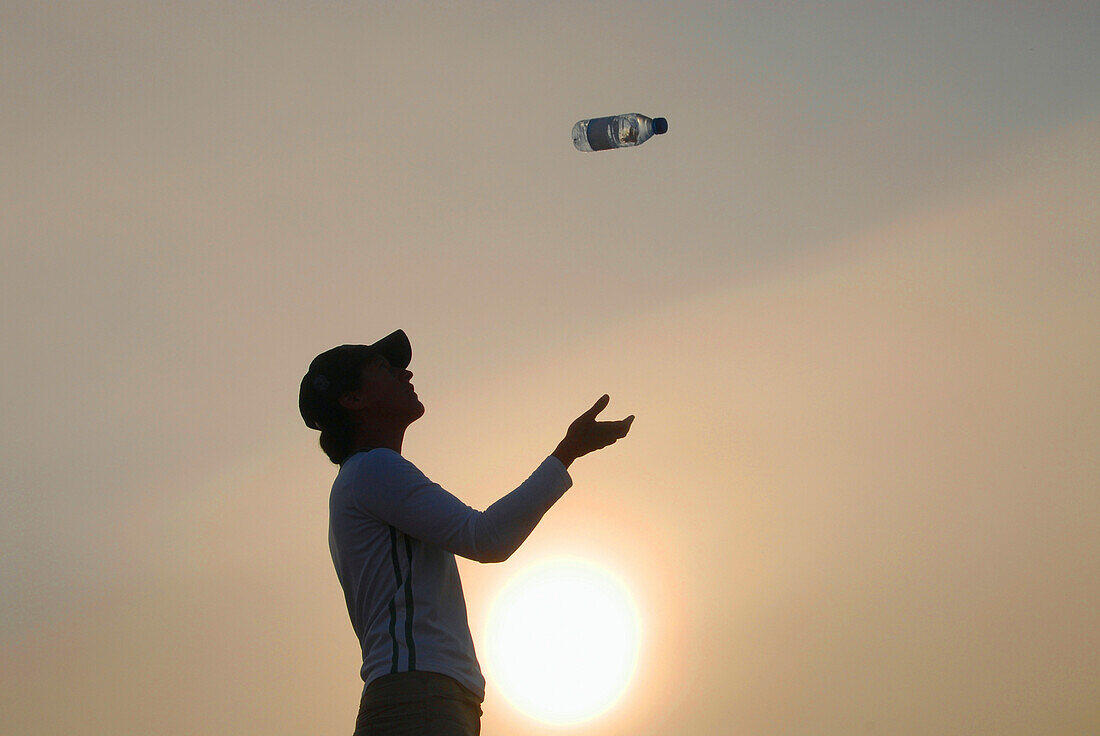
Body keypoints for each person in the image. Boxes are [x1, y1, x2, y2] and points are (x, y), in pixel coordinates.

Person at [299, 329, 634, 736]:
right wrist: (568, 452)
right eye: (385, 369)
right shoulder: (373, 470)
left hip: (425, 697)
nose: (405, 375)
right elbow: (487, 537)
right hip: (418, 700)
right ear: (353, 400)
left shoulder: (364, 477)